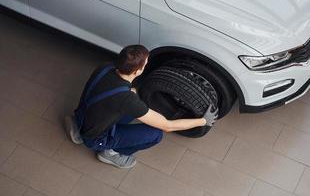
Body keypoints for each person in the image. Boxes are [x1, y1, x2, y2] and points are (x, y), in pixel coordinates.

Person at [65, 45, 218, 169]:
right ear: (138, 71)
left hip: (83, 114)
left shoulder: (106, 67)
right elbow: (168, 126)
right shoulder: (126, 100)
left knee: (135, 96)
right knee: (155, 134)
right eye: (145, 63)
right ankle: (110, 153)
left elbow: (117, 92)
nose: (147, 64)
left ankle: (78, 128)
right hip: (96, 137)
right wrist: (203, 121)